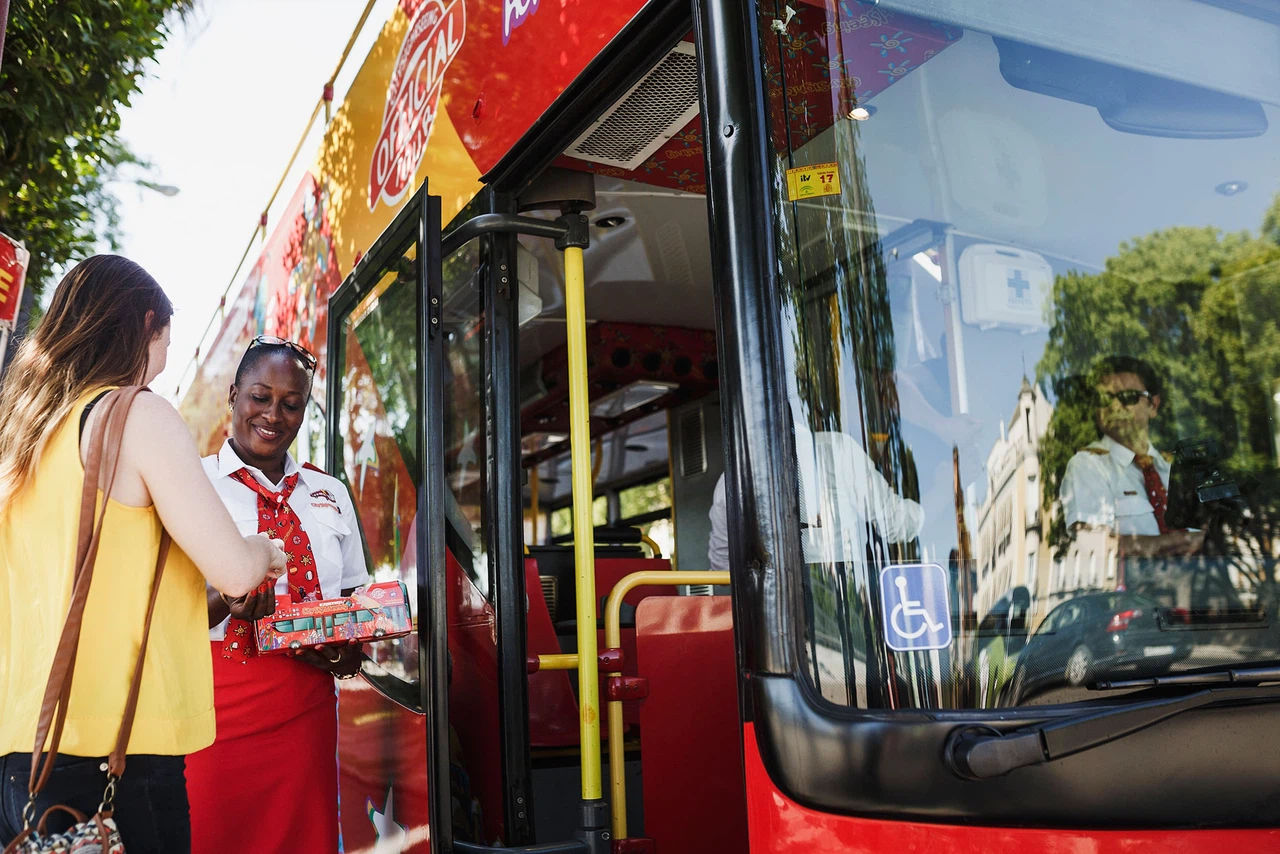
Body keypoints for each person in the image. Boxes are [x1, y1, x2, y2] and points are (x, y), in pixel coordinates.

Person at [0, 255, 287, 852]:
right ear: (147, 324)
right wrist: (265, 551)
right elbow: (234, 569)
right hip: (112, 753)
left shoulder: (25, 429)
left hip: (17, 752)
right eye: (166, 341)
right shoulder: (134, 413)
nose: (165, 360)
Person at [183, 335, 371, 854]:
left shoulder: (329, 492)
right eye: (260, 397)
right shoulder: (191, 484)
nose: (274, 414)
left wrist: (349, 647)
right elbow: (162, 612)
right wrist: (229, 599)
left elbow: (352, 596)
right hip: (213, 713)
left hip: (306, 712)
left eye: (292, 403)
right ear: (233, 394)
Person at [1059, 355, 1201, 557]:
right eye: (1105, 399)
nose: (1115, 407)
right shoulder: (1087, 465)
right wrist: (1183, 542)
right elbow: (1096, 549)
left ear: (1153, 405)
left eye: (1128, 397)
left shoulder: (1176, 471)